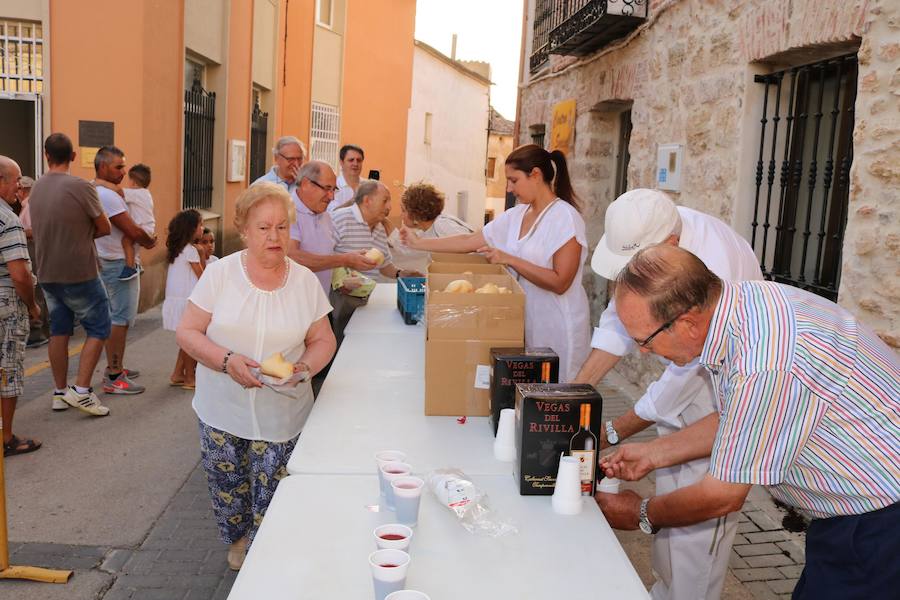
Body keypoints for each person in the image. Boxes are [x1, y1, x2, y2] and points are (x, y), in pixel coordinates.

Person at [597, 244, 900, 600]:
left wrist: (641, 512)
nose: (644, 351)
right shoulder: (740, 307)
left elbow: (721, 496)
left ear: (687, 323)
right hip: (858, 516)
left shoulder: (762, 362)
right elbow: (743, 417)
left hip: (881, 521)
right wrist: (654, 453)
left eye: (644, 341)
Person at [573, 189, 763, 600]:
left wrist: (615, 431)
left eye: (648, 342)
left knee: (697, 533)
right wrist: (573, 396)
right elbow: (618, 324)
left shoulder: (715, 273)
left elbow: (686, 373)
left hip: (718, 391)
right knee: (671, 501)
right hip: (710, 396)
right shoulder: (654, 234)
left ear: (671, 247)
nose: (642, 350)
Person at [176, 183, 336, 570]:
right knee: (228, 487)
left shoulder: (303, 281)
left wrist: (305, 368)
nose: (274, 236)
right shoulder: (220, 275)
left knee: (276, 489)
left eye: (282, 227)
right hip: (222, 407)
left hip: (283, 413)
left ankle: (270, 554)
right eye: (263, 227)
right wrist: (225, 359)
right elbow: (187, 332)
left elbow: (323, 339)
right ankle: (239, 541)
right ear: (244, 230)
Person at [401, 144, 591, 381]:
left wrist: (509, 258)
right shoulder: (516, 215)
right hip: (525, 323)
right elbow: (470, 240)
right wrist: (418, 243)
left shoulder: (566, 219)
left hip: (558, 327)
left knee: (558, 395)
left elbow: (560, 281)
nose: (509, 188)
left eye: (513, 180)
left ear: (535, 175)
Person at [29, 133, 113, 416]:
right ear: (74, 156)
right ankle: (82, 391)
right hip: (79, 270)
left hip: (47, 271)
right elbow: (104, 227)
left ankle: (59, 391)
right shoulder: (80, 186)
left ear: (46, 155)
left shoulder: (36, 187)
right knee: (99, 326)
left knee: (59, 330)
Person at [93, 145, 157, 395]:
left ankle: (114, 367)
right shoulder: (107, 195)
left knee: (117, 318)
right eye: (118, 167)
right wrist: (150, 241)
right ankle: (115, 375)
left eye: (124, 167)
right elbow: (131, 230)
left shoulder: (98, 189)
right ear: (103, 166)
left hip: (110, 259)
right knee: (120, 320)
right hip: (118, 262)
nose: (123, 171)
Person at [0, 156, 42, 455]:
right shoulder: (8, 220)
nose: (20, 185)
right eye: (16, 179)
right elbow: (19, 275)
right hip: (6, 305)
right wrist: (31, 305)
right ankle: (6, 438)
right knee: (8, 370)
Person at [284, 161, 376, 294]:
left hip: (321, 304)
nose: (332, 197)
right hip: (294, 306)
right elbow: (292, 257)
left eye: (334, 190)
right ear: (305, 184)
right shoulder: (287, 211)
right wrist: (344, 260)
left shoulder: (325, 216)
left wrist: (341, 282)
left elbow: (326, 258)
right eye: (327, 188)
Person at [332, 180, 411, 282]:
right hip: (338, 295)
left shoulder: (380, 227)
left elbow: (384, 265)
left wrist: (400, 273)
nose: (389, 207)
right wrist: (340, 281)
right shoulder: (339, 219)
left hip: (369, 294)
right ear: (367, 201)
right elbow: (323, 259)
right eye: (385, 201)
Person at [387, 182, 474, 274]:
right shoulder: (426, 231)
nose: (401, 215)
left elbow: (469, 246)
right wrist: (385, 223)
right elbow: (407, 249)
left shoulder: (442, 223)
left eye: (403, 210)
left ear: (415, 214)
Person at [162, 209, 205, 389]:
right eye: (200, 225)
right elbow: (202, 277)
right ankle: (189, 379)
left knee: (185, 339)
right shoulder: (191, 251)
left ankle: (178, 374)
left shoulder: (178, 249)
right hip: (186, 301)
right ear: (191, 228)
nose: (203, 228)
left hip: (176, 300)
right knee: (190, 340)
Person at [100, 163, 155, 281]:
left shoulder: (136, 193)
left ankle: (130, 268)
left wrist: (101, 183)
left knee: (126, 241)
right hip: (146, 226)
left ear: (134, 183)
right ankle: (137, 265)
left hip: (143, 227)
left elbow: (118, 190)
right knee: (132, 244)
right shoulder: (145, 194)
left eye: (129, 180)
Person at [16, 176, 49, 348]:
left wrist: (15, 232)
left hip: (33, 249)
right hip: (34, 249)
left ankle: (37, 331)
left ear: (23, 190)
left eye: (18, 188)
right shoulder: (28, 206)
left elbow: (36, 230)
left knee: (35, 290)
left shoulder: (30, 206)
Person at [329, 144, 364, 213]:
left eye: (359, 160)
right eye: (351, 160)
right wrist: (354, 201)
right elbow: (332, 212)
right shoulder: (332, 186)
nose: (355, 164)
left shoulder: (367, 186)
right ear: (341, 162)